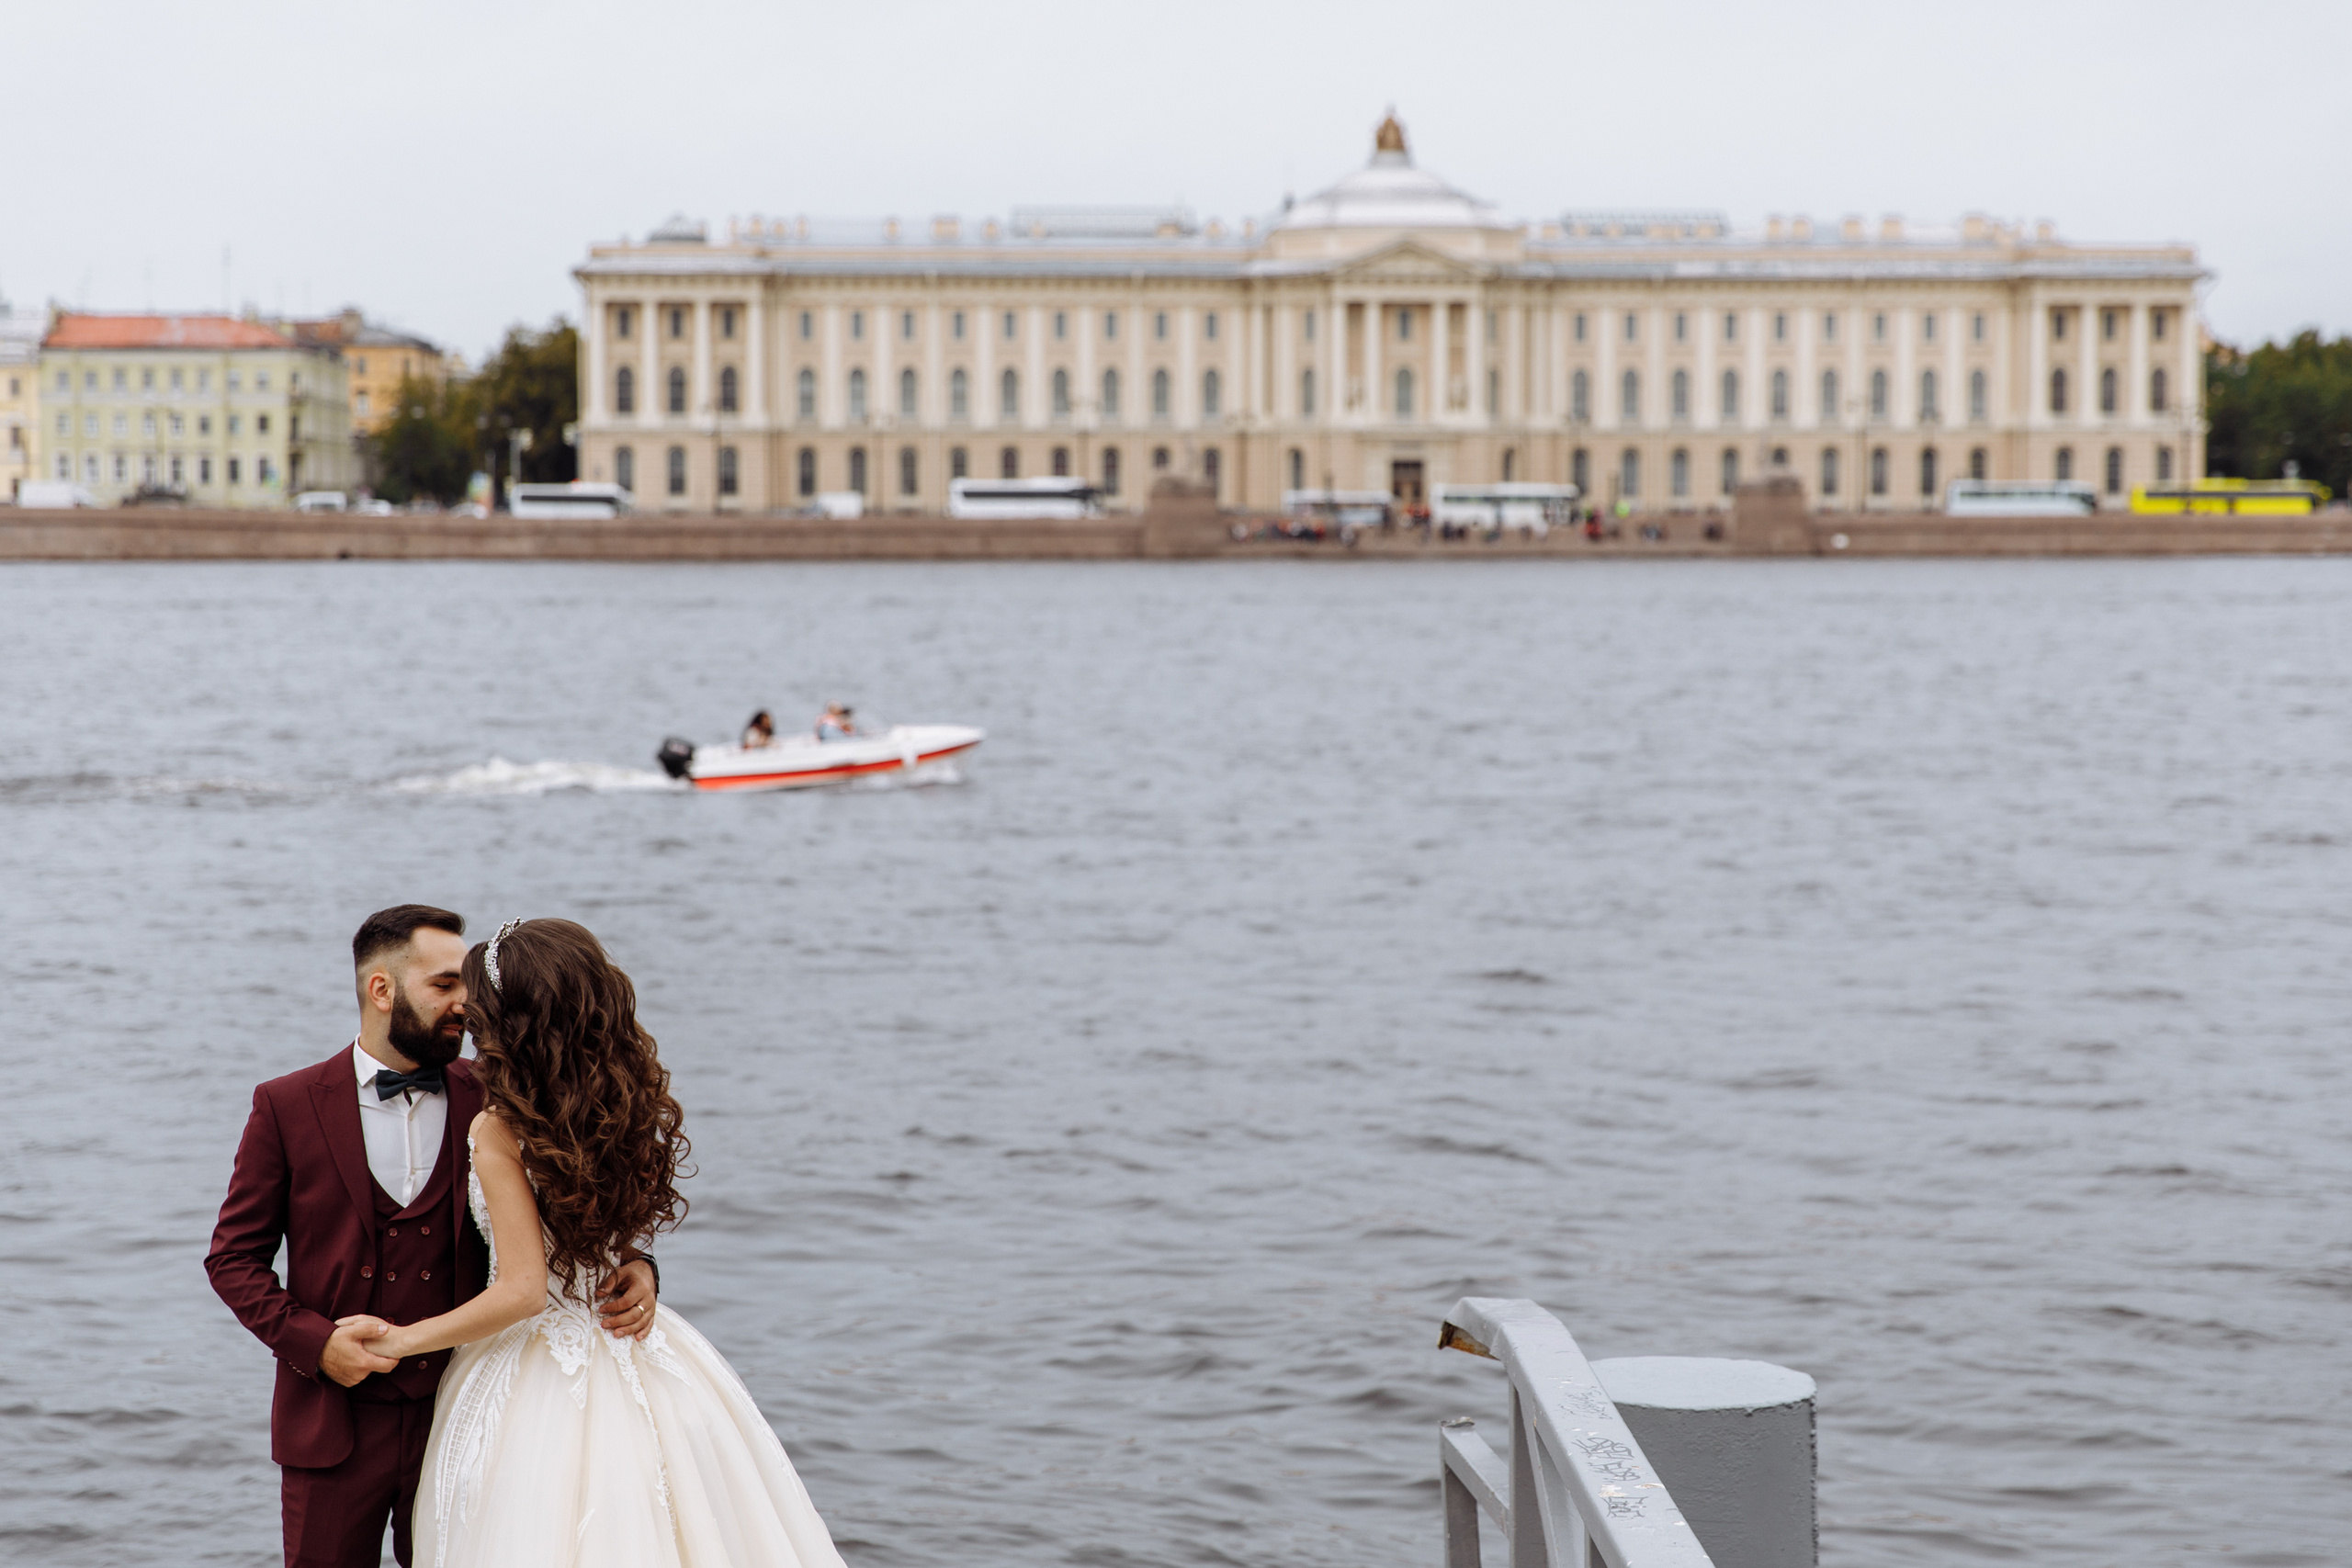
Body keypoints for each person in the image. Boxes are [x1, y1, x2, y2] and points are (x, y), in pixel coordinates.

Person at [373, 918, 847, 1568]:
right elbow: (605, 1236)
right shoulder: (615, 1103)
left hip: (534, 1369)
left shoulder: (499, 1128)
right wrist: (639, 1263)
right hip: (638, 1344)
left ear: (508, 1021)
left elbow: (523, 1291)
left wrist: (400, 1338)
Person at [207, 907, 657, 1568]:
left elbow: (580, 1197)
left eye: (467, 985)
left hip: (469, 1409)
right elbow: (232, 1258)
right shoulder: (287, 1103)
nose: (466, 1003)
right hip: (333, 1422)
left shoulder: (502, 1096)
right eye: (445, 984)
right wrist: (318, 1343)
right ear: (381, 990)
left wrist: (637, 1262)